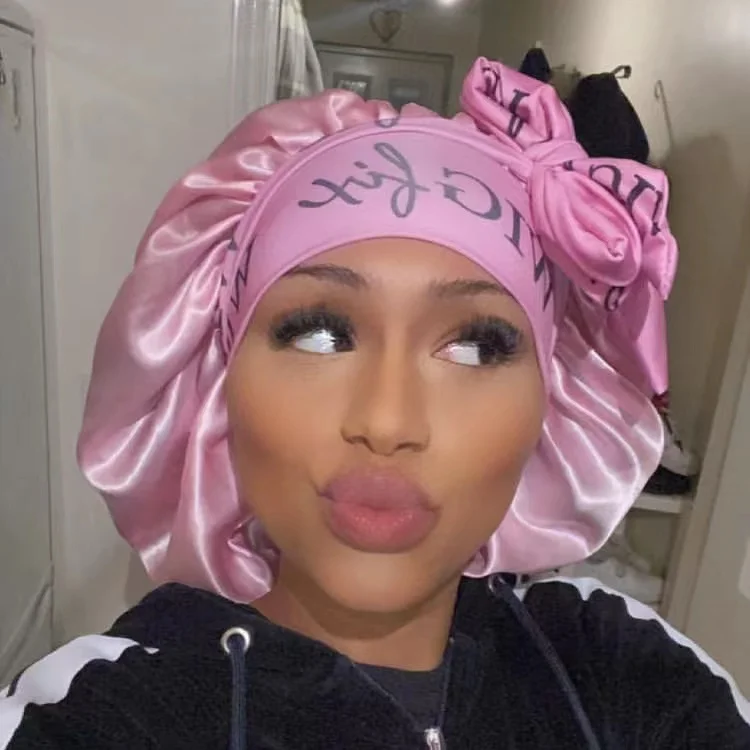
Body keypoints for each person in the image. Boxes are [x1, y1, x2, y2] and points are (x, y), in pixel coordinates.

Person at [1, 58, 748, 750]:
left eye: (476, 346)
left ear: (552, 400)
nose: (387, 422)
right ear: (220, 373)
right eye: (320, 334)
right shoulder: (107, 709)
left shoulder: (622, 669)